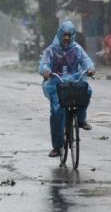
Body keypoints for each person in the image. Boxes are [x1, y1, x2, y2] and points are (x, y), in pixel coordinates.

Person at [39, 21, 96, 158]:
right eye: (64, 35)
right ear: (59, 34)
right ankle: (57, 147)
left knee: (86, 91)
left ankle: (81, 120)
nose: (66, 38)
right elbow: (44, 63)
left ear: (73, 36)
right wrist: (46, 70)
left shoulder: (77, 49)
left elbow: (86, 61)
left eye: (69, 35)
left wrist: (90, 68)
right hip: (55, 83)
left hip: (73, 81)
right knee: (57, 110)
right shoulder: (51, 50)